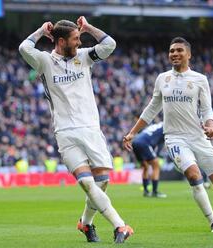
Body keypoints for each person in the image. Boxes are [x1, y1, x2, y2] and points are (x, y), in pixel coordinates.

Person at [19, 16, 133, 243]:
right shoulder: (44, 61)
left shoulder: (84, 57)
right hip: (65, 132)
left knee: (101, 183)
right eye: (75, 39)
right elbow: (24, 47)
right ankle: (120, 226)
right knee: (87, 183)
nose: (80, 43)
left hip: (91, 128)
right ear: (60, 41)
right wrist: (42, 30)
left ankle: (85, 224)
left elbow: (109, 44)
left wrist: (88, 27)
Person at [123, 37, 213, 233]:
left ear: (188, 54)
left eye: (179, 50)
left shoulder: (200, 79)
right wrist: (132, 133)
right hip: (174, 138)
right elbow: (151, 109)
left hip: (198, 137)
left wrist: (211, 126)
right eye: (172, 50)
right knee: (193, 175)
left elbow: (207, 109)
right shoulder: (162, 78)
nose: (174, 53)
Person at [132, 122, 167, 198]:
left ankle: (146, 191)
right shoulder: (166, 127)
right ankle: (155, 192)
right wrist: (156, 155)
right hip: (144, 143)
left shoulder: (158, 125)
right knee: (156, 166)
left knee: (146, 167)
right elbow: (158, 143)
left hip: (135, 142)